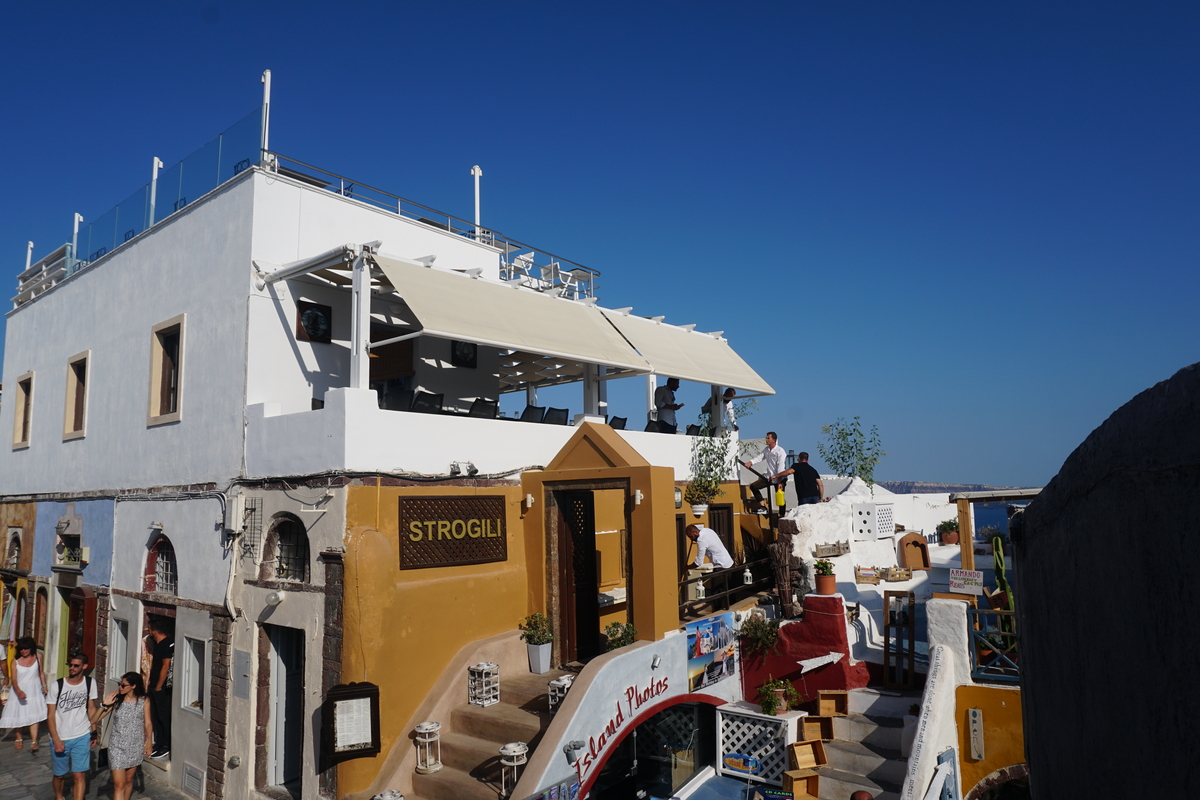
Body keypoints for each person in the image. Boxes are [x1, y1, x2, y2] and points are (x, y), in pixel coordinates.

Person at [90, 672, 152, 800]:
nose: (120, 688)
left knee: (129, 781)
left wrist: (149, 743)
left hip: (135, 745)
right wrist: (104, 705)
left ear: (133, 686)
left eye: (123, 685)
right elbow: (93, 720)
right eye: (120, 684)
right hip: (117, 747)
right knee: (119, 784)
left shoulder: (144, 700)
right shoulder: (117, 700)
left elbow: (148, 723)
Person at [46, 651, 98, 800]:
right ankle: (59, 796)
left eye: (76, 666)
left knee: (79, 775)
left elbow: (91, 708)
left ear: (85, 666)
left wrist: (94, 731)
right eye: (70, 665)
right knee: (59, 775)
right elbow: (50, 715)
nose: (72, 668)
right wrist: (56, 739)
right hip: (61, 735)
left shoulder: (90, 683)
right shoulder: (57, 686)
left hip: (81, 734)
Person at [0, 636, 48, 751]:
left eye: (26, 649)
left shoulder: (38, 657)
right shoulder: (15, 662)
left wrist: (45, 686)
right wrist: (19, 691)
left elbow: (41, 673)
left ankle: (34, 740)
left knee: (34, 716)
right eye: (21, 649)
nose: (23, 651)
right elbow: (14, 680)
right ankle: (18, 738)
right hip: (20, 689)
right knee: (19, 714)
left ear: (31, 648)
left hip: (34, 689)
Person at [147, 616, 174, 759]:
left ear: (154, 631)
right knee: (155, 715)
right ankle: (158, 742)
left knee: (163, 715)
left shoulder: (167, 644)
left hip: (161, 688)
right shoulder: (157, 645)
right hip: (153, 686)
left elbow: (165, 666)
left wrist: (158, 686)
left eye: (150, 629)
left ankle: (165, 745)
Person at [743, 432, 787, 511]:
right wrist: (750, 462)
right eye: (766, 438)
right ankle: (762, 506)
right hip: (769, 476)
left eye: (768, 438)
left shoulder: (780, 451)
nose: (766, 439)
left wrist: (779, 481)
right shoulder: (766, 450)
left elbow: (780, 467)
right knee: (754, 486)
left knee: (780, 496)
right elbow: (759, 457)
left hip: (779, 477)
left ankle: (782, 515)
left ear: (774, 440)